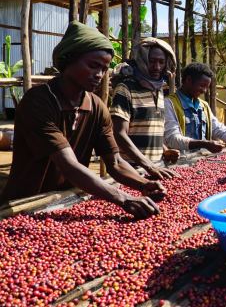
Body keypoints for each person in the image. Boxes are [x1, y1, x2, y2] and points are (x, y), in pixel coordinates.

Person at [0, 21, 165, 219]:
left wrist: (143, 184)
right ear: (68, 60)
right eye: (93, 66)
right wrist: (123, 198)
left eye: (104, 69)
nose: (99, 74)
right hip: (25, 204)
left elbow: (115, 162)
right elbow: (68, 165)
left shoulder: (96, 106)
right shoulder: (38, 102)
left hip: (65, 202)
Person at [110, 37, 178, 179]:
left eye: (161, 62)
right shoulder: (125, 88)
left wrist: (164, 150)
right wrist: (147, 164)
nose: (157, 67)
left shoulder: (158, 90)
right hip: (132, 170)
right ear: (142, 60)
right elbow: (119, 134)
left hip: (156, 168)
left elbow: (150, 129)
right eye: (152, 61)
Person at [164, 62, 226, 153]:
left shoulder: (203, 106)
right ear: (188, 80)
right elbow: (173, 139)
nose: (204, 91)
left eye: (206, 87)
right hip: (179, 162)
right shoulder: (169, 104)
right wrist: (205, 144)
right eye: (201, 86)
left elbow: (219, 129)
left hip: (200, 159)